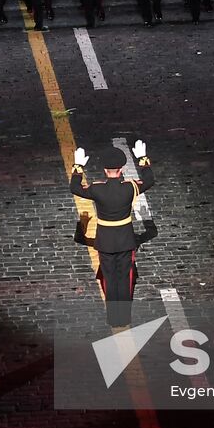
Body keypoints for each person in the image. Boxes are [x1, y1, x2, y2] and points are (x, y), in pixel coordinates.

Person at [70, 140, 157, 327]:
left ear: (104, 169)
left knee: (109, 280)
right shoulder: (130, 187)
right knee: (125, 280)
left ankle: (113, 319)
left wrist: (78, 167)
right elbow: (149, 180)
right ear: (122, 168)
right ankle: (124, 318)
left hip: (105, 241)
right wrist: (143, 159)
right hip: (125, 239)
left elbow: (75, 188)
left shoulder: (97, 188)